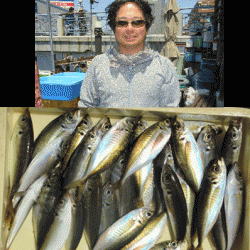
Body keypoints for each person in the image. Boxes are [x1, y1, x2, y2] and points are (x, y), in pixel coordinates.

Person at [78, 0, 181, 107]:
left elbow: (171, 113)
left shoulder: (165, 67)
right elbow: (86, 107)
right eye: (122, 23)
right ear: (113, 28)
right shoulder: (97, 65)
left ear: (147, 27)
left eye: (137, 22)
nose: (129, 28)